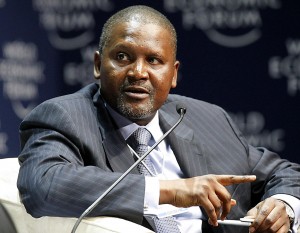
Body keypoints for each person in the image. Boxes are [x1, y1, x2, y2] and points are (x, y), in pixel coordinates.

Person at [17, 5, 300, 233]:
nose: (138, 72)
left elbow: (284, 172)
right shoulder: (65, 117)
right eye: (123, 56)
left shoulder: (206, 118)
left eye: (153, 60)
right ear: (97, 64)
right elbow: (43, 185)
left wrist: (282, 205)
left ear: (173, 73)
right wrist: (170, 191)